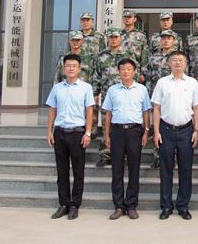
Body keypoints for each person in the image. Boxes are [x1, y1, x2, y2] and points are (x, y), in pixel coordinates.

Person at [152, 51, 198, 221]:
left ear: (185, 63)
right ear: (169, 63)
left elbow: (197, 108)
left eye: (181, 60)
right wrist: (156, 131)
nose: (178, 63)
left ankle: (183, 206)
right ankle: (166, 206)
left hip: (186, 131)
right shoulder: (162, 83)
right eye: (174, 60)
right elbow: (157, 108)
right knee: (165, 170)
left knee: (185, 170)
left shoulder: (193, 83)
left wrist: (196, 130)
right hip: (166, 130)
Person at [46, 54, 94, 220]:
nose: (71, 68)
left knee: (78, 171)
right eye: (68, 65)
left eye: (74, 65)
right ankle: (64, 204)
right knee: (62, 171)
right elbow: (52, 110)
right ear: (63, 68)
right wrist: (49, 131)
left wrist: (88, 132)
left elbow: (89, 111)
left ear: (79, 69)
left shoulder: (86, 88)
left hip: (77, 133)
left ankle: (75, 205)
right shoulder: (57, 88)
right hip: (60, 132)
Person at [102, 58, 151, 220]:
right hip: (116, 131)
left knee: (134, 169)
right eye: (122, 68)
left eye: (128, 69)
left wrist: (146, 132)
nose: (125, 71)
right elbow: (108, 114)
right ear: (119, 71)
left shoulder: (141, 89)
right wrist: (106, 135)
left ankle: (131, 205)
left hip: (134, 132)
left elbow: (146, 113)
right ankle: (118, 206)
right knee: (117, 170)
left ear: (134, 71)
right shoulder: (113, 90)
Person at [93, 27, 141, 167]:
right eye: (111, 37)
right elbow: (96, 76)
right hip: (108, 95)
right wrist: (95, 93)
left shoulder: (129, 55)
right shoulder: (101, 56)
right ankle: (105, 154)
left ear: (121, 38)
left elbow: (134, 75)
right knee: (107, 123)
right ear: (107, 38)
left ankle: (124, 156)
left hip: (126, 95)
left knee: (125, 126)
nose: (113, 39)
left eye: (116, 36)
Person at [53, 30, 98, 138]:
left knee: (87, 118)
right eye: (73, 40)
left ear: (82, 41)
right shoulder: (63, 58)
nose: (75, 42)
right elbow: (57, 77)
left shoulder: (89, 57)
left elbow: (95, 76)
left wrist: (95, 93)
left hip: (83, 94)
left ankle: (88, 134)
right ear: (69, 41)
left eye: (77, 40)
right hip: (66, 92)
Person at [145, 30, 176, 168]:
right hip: (156, 97)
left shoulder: (177, 58)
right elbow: (149, 78)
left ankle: (172, 158)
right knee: (156, 126)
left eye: (169, 38)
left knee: (173, 127)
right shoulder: (153, 58)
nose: (166, 41)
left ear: (174, 41)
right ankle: (157, 156)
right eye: (163, 38)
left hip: (172, 98)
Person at [120, 9, 148, 83]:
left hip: (135, 70)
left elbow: (144, 55)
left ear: (135, 19)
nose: (127, 19)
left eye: (129, 17)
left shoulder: (140, 36)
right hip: (120, 70)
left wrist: (143, 73)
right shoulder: (118, 35)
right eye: (125, 17)